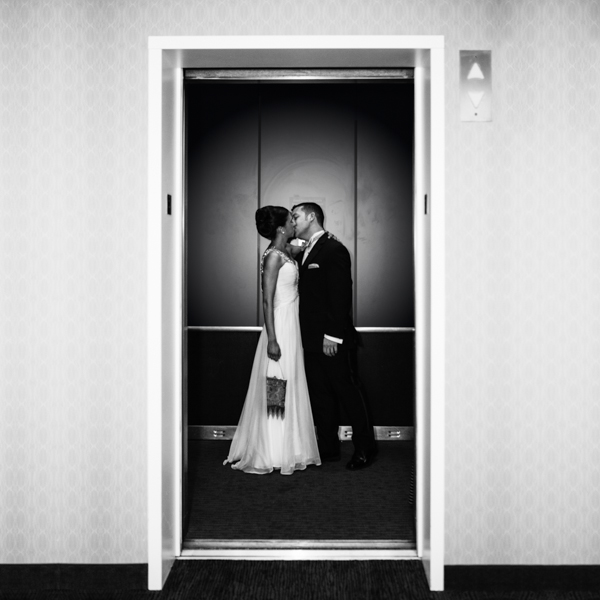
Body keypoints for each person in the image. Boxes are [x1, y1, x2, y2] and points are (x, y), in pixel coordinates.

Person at [224, 206, 321, 475]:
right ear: (280, 228)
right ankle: (273, 449)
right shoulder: (272, 258)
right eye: (290, 222)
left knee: (289, 382)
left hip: (292, 326)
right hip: (279, 327)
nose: (294, 225)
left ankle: (290, 445)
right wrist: (272, 339)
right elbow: (267, 301)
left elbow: (300, 245)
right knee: (276, 385)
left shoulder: (284, 253)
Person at [291, 202, 377, 471]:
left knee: (347, 393)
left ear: (311, 217)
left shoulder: (334, 249)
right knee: (320, 394)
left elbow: (339, 296)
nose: (293, 222)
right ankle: (327, 448)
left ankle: (365, 449)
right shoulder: (303, 250)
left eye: (296, 217)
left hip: (331, 340)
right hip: (309, 339)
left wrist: (332, 336)